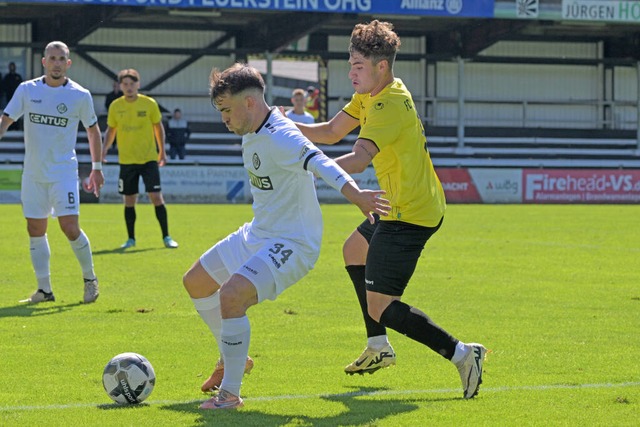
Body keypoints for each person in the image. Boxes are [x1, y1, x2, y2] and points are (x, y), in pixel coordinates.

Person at [293, 20, 487, 400]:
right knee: (353, 251)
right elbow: (332, 131)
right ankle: (379, 347)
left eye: (358, 66)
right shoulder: (368, 94)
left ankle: (464, 354)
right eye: (350, 64)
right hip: (397, 204)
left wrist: (305, 164)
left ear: (382, 66)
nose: (351, 72)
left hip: (410, 214)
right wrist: (281, 125)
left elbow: (359, 159)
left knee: (381, 305)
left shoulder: (389, 104)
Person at [182, 63, 390, 410]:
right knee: (196, 282)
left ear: (249, 103)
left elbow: (321, 162)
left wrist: (356, 195)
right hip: (258, 232)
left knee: (232, 297)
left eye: (227, 110)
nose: (225, 120)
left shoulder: (282, 134)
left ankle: (230, 395)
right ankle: (232, 357)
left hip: (293, 243)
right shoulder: (253, 125)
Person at [0, 41, 103, 304]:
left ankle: (90, 280)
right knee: (35, 228)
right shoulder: (27, 90)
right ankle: (44, 290)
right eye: (52, 58)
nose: (56, 63)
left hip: (63, 173)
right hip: (33, 174)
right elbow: (7, 119)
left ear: (68, 64)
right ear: (44, 62)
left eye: (61, 59)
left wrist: (97, 167)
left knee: (70, 227)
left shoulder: (80, 95)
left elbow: (93, 130)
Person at [102, 68, 178, 250]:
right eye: (125, 84)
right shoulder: (115, 106)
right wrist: (103, 151)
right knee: (129, 200)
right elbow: (111, 130)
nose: (128, 87)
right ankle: (131, 239)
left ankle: (167, 237)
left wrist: (162, 151)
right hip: (127, 161)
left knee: (156, 197)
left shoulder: (149, 104)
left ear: (138, 84)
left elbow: (158, 128)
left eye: (132, 84)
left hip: (148, 159)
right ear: (120, 86)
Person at [2, 62, 24, 129]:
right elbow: (4, 87)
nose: (12, 68)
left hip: (17, 97)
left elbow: (21, 86)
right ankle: (10, 127)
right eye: (10, 67)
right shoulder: (7, 77)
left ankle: (16, 127)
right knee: (9, 112)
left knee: (17, 111)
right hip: (9, 97)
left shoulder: (18, 76)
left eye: (13, 66)